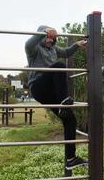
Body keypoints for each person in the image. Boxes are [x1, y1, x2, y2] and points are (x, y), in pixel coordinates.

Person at [25, 25, 88, 170]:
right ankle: (63, 103)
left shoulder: (53, 49)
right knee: (59, 66)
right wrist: (44, 32)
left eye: (52, 38)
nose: (50, 41)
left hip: (52, 91)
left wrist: (77, 45)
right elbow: (28, 43)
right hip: (38, 85)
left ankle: (71, 159)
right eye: (48, 37)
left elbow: (66, 52)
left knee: (70, 119)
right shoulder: (34, 49)